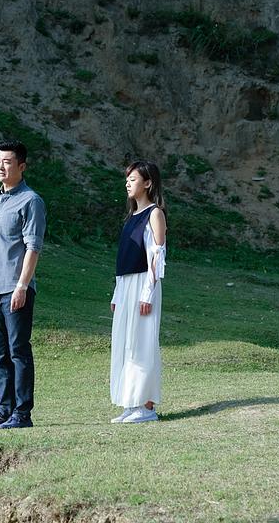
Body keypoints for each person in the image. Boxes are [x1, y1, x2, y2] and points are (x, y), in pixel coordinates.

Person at [0, 140, 46, 429]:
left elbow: (33, 247)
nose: (1, 167)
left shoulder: (31, 201)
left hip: (14, 288)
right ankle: (4, 411)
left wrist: (22, 286)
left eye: (7, 162)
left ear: (21, 166)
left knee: (18, 350)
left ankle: (22, 414)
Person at [109, 160, 167, 423]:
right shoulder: (131, 217)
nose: (128, 184)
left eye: (133, 179)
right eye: (127, 179)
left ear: (148, 183)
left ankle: (146, 407)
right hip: (126, 286)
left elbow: (157, 255)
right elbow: (124, 260)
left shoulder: (155, 214)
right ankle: (131, 402)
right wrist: (117, 294)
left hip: (144, 284)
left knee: (143, 342)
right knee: (127, 343)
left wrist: (147, 294)